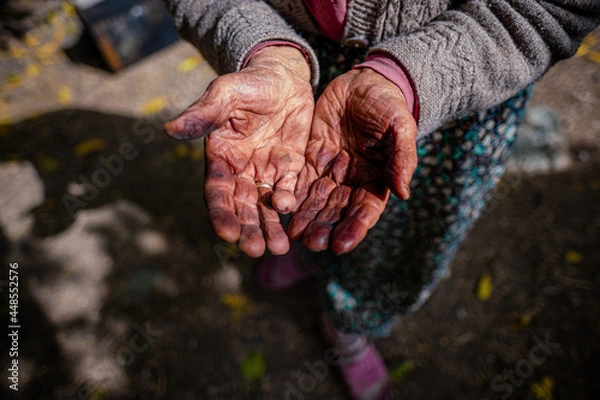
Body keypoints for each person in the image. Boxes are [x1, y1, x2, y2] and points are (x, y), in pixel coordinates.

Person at [161, 1, 600, 399]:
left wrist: (406, 79)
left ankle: (350, 322)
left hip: (454, 73)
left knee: (396, 234)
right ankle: (313, 262)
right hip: (293, 62)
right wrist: (267, 52)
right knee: (299, 196)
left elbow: (555, 8)